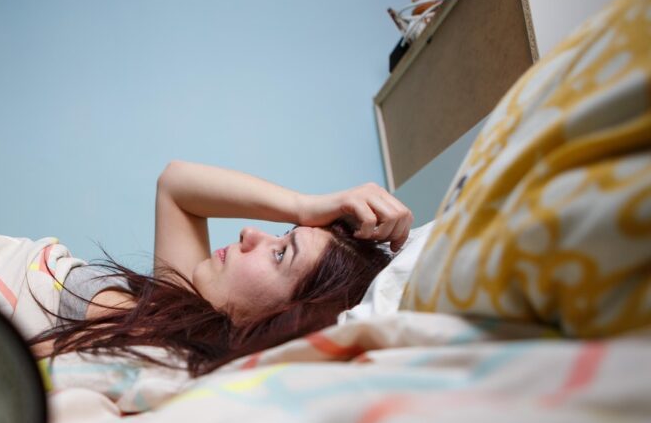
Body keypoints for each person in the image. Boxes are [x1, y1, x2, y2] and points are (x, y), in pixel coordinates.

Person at [29, 160, 412, 376]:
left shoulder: (167, 349)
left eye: (280, 254)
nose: (249, 232)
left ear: (289, 318)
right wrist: (305, 206)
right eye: (282, 236)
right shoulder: (180, 307)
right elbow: (176, 185)